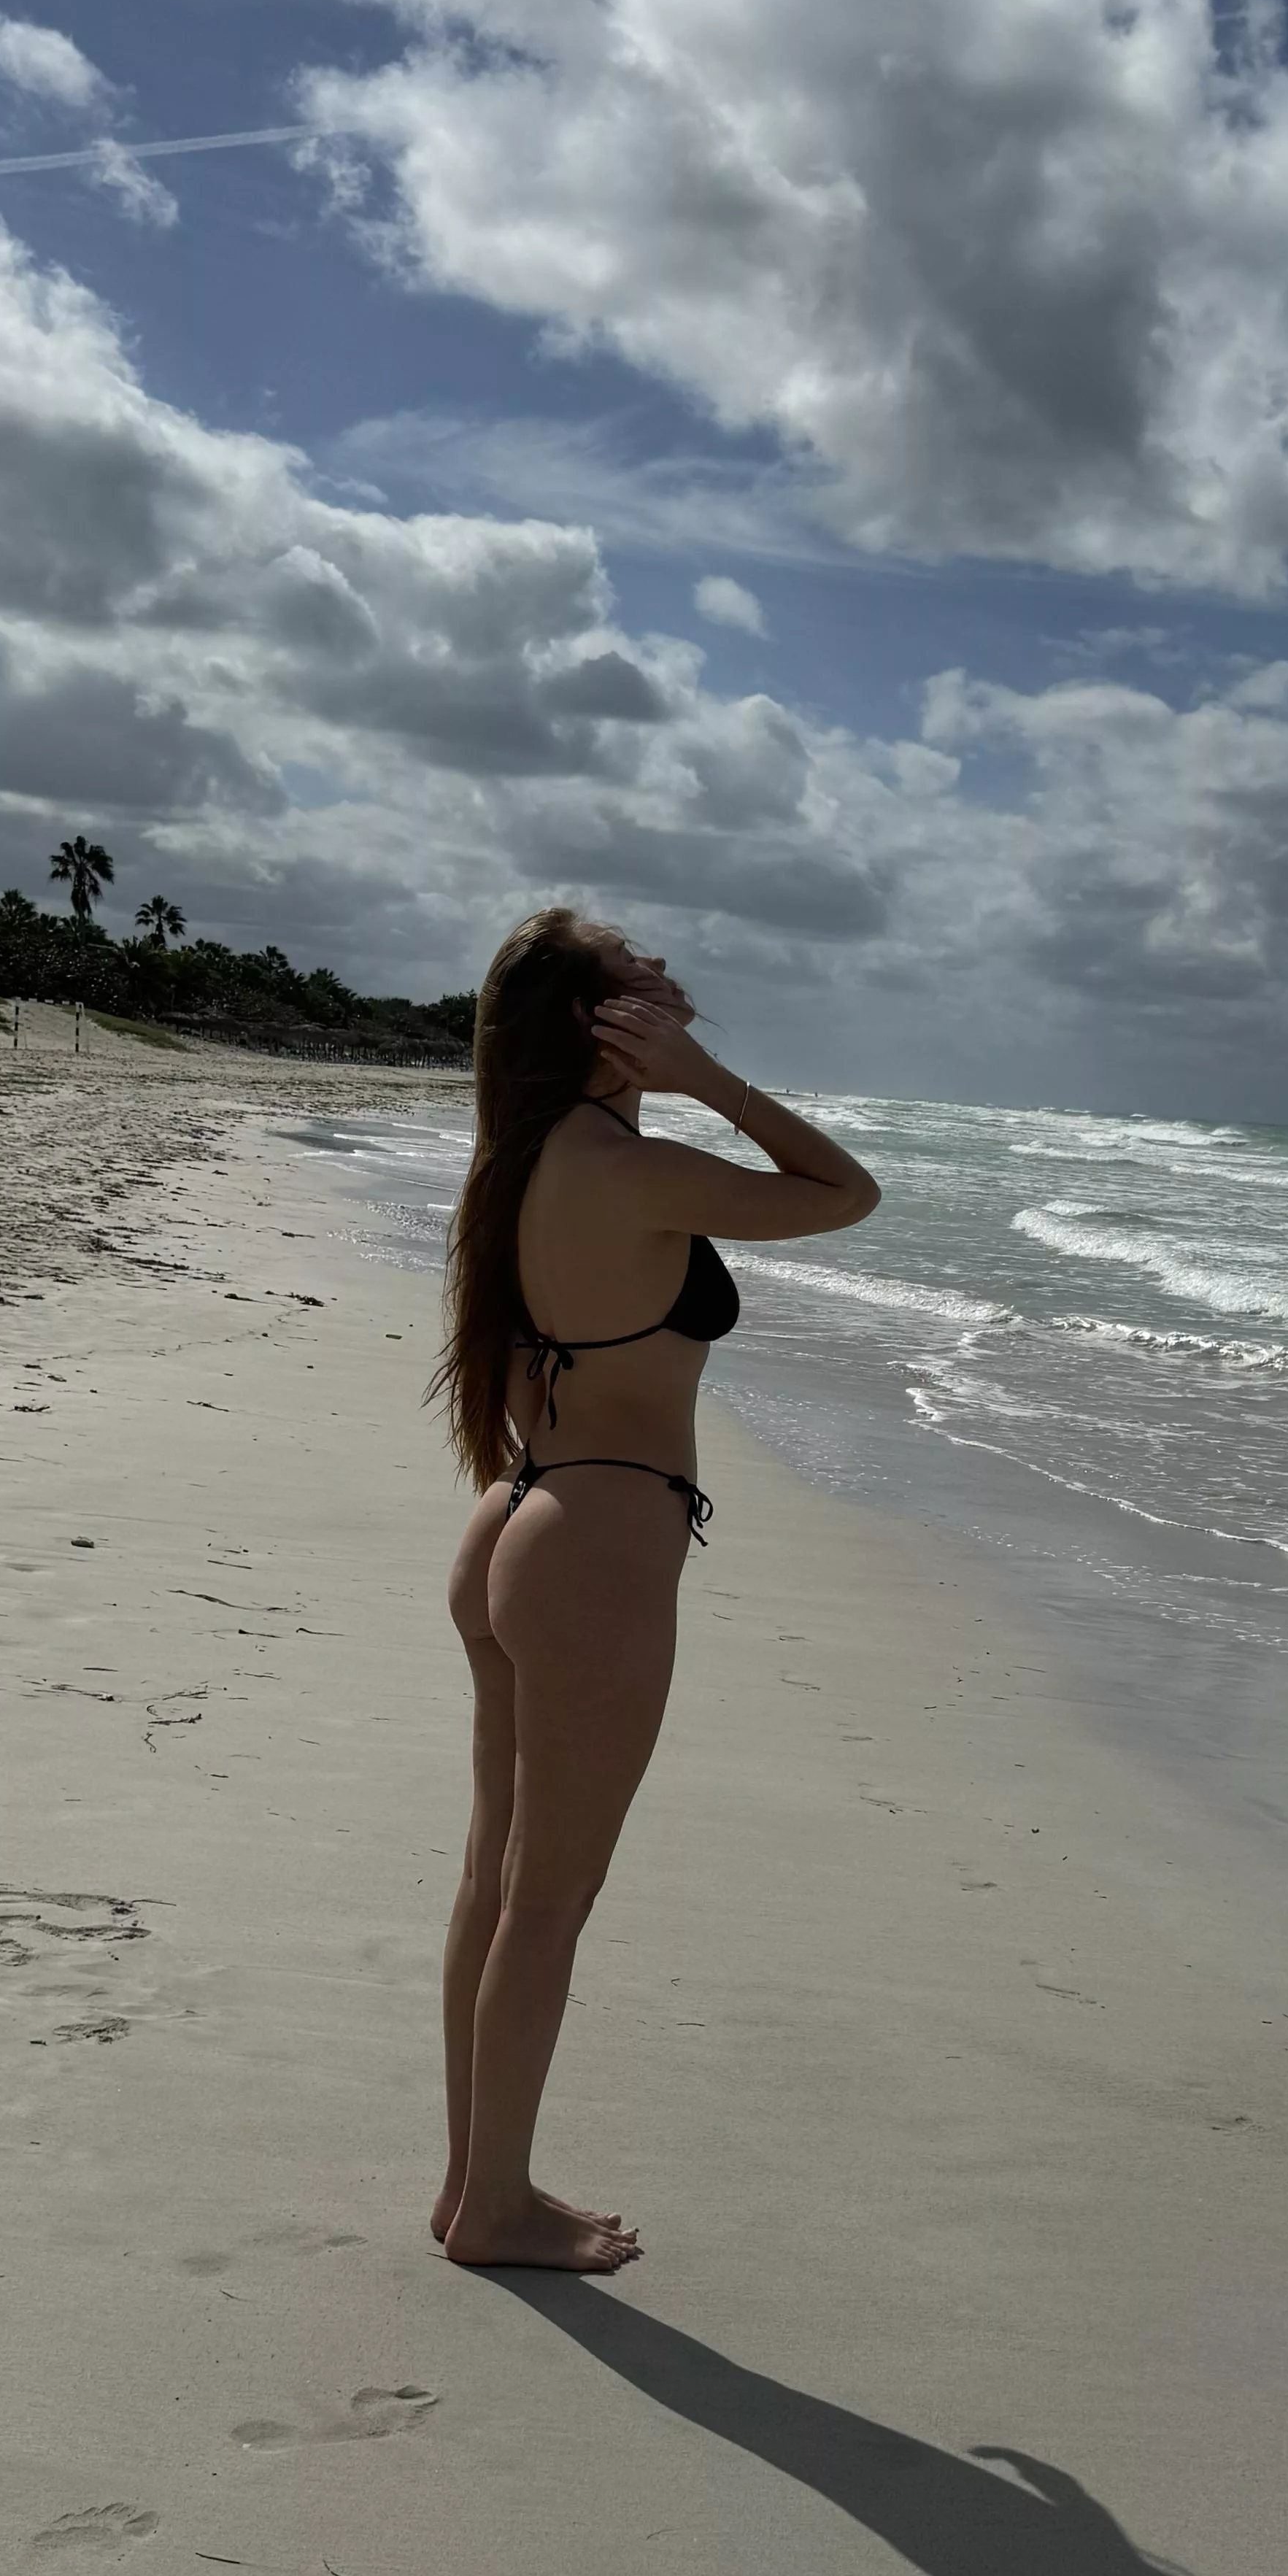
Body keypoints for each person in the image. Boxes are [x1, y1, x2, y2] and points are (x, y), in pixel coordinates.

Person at [428, 909, 881, 2270]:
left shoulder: (525, 1159)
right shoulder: (625, 1167)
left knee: (497, 1880)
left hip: (520, 1520)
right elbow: (844, 1191)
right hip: (594, 1544)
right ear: (596, 1019)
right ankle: (494, 2206)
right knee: (546, 1898)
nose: (670, 976)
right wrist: (708, 1083)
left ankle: (472, 2184)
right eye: (638, 972)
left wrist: (664, 1079)